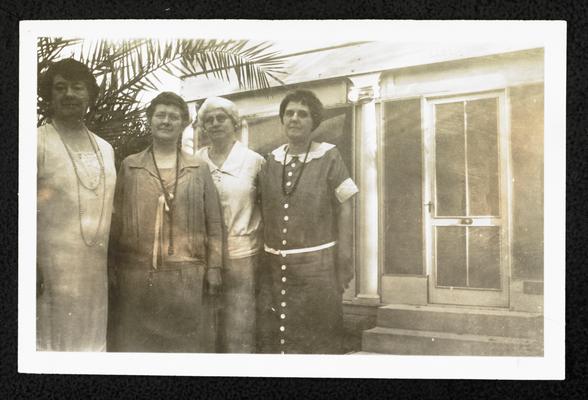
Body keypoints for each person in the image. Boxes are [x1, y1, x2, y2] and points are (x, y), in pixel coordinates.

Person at [108, 92, 223, 352]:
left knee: (184, 348)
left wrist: (215, 267)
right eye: (160, 115)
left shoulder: (198, 168)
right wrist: (111, 265)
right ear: (150, 120)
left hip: (187, 276)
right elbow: (115, 219)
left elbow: (213, 222)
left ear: (183, 124)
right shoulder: (130, 166)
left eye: (174, 117)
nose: (166, 121)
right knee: (137, 348)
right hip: (137, 275)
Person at [259, 90, 359, 354]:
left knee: (318, 335)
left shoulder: (329, 156)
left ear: (314, 121)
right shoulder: (271, 160)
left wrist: (345, 257)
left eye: (302, 114)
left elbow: (345, 206)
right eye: (289, 113)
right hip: (275, 266)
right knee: (278, 337)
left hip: (318, 268)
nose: (294, 119)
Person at [37, 58, 117, 351]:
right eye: (60, 87)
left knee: (90, 344)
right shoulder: (36, 143)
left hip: (94, 274)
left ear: (90, 96)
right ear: (50, 95)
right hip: (49, 274)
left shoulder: (105, 148)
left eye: (77, 87)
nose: (69, 94)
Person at [195, 97, 265, 353]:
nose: (214, 124)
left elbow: (266, 208)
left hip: (243, 256)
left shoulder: (254, 161)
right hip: (203, 257)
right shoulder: (196, 161)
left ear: (234, 122)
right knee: (207, 328)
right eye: (209, 120)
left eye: (221, 118)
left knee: (240, 327)